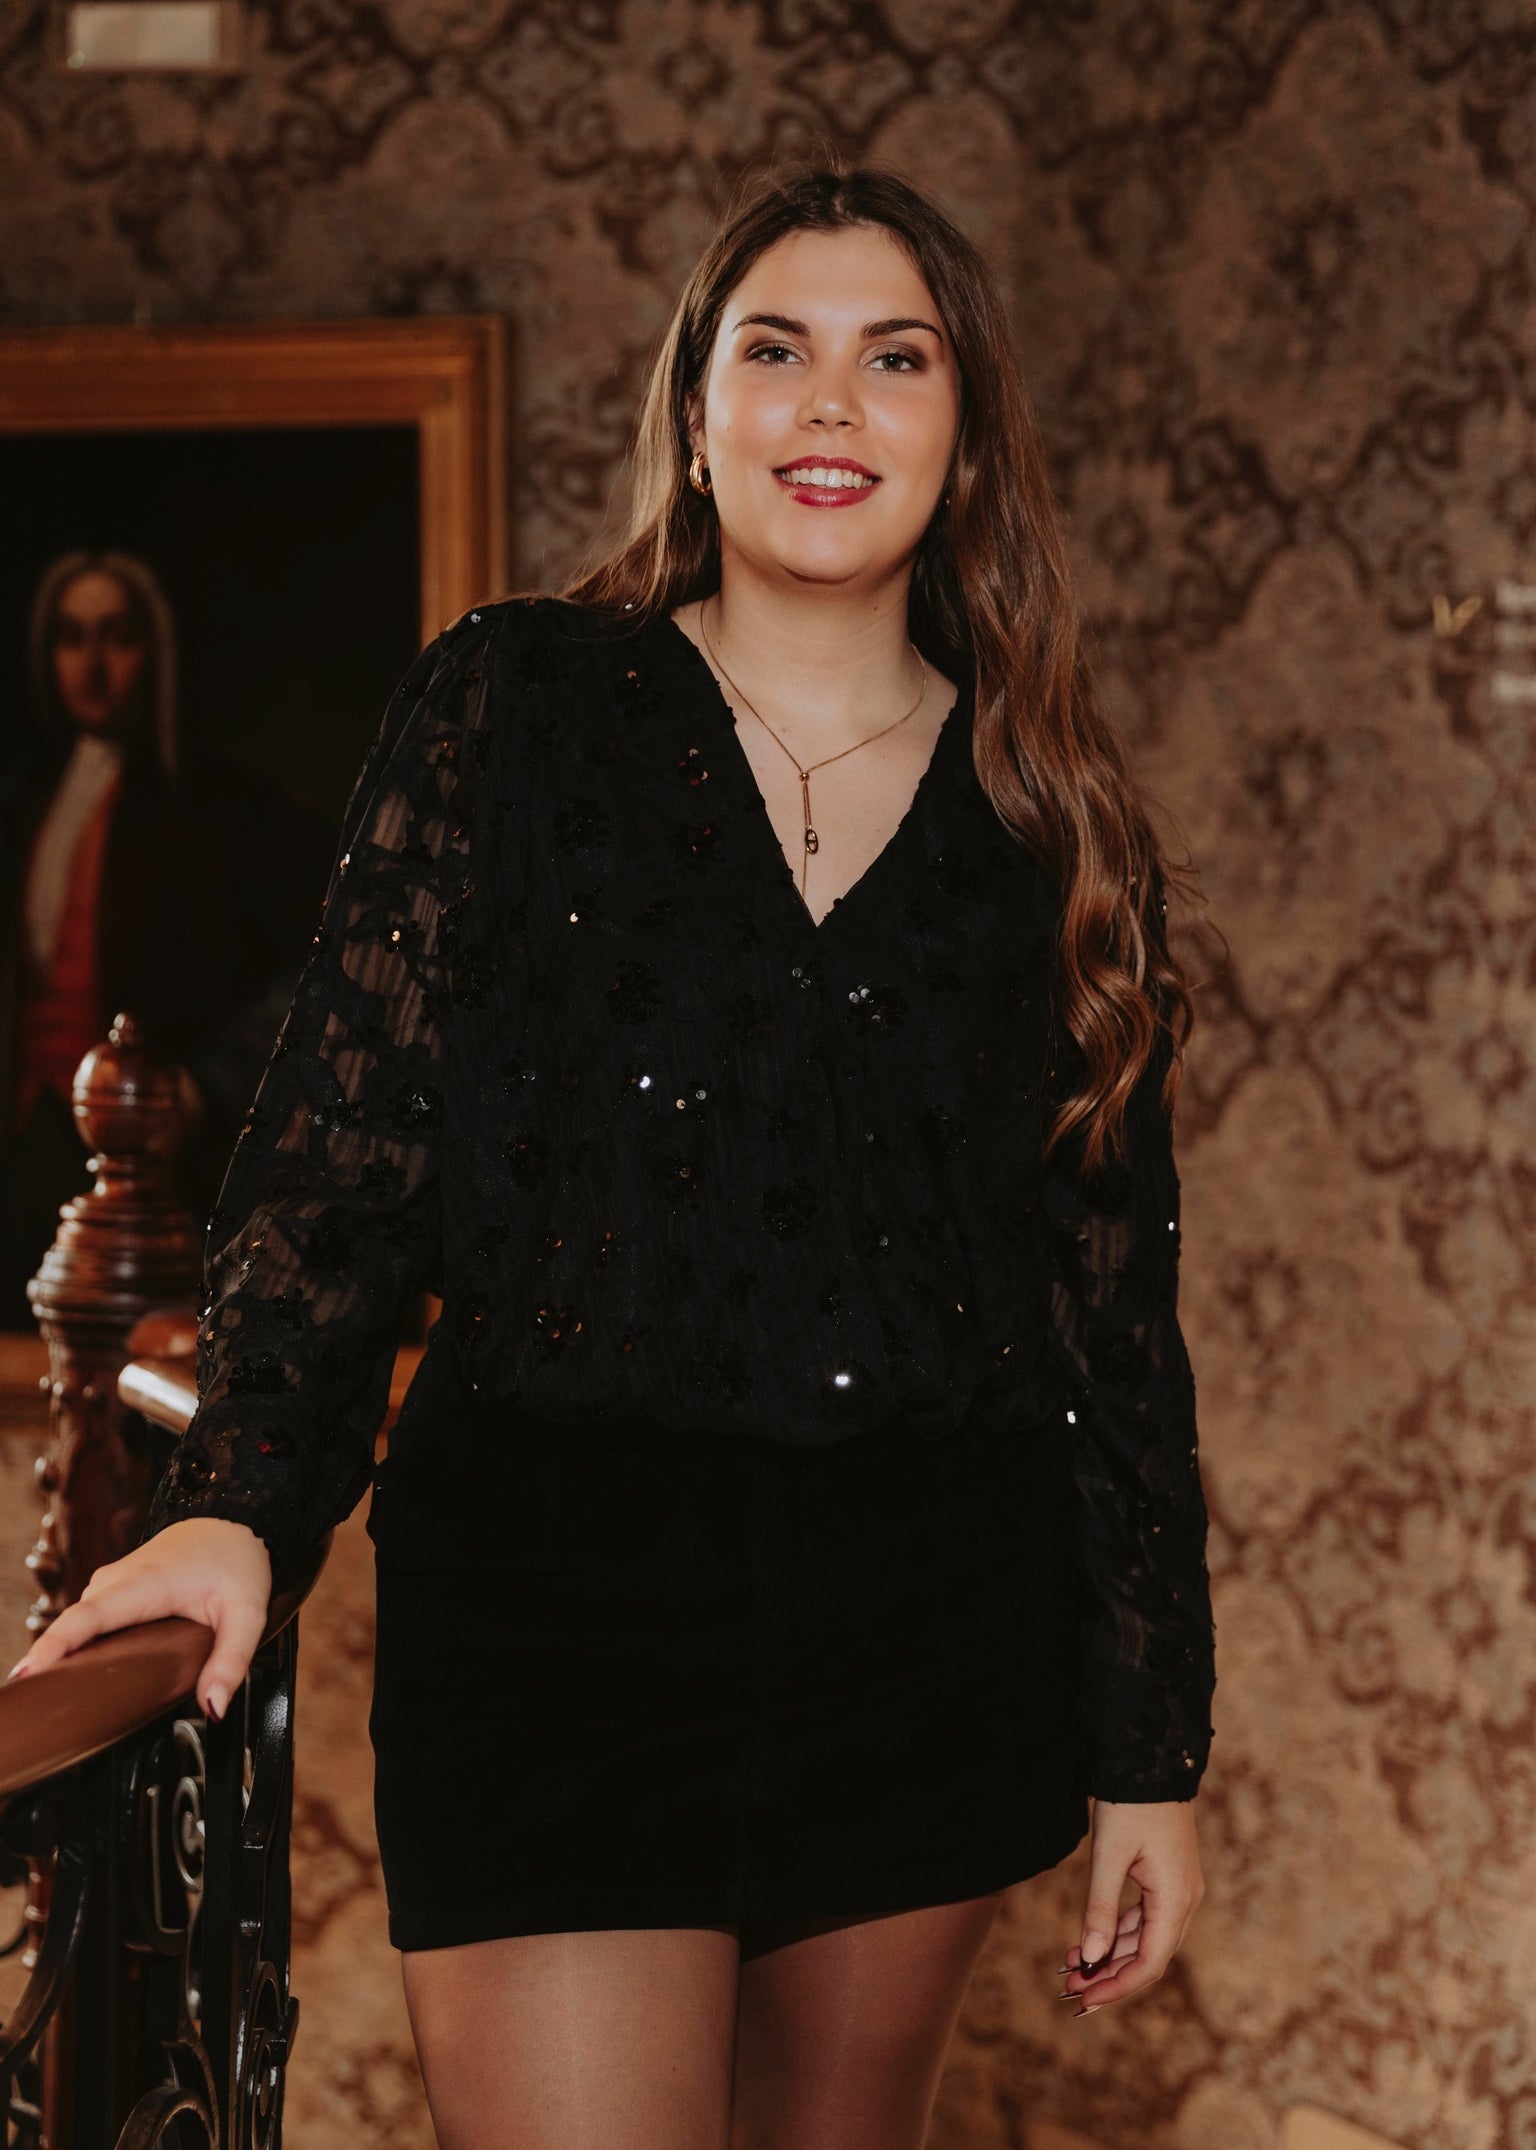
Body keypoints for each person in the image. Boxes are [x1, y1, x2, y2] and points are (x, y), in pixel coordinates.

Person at [7, 158, 1218, 2150]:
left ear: (969, 437)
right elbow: (340, 1164)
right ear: (696, 412)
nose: (830, 403)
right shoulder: (518, 707)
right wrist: (238, 1504)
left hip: (926, 1641)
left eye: (895, 358)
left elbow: (1110, 1324)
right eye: (777, 349)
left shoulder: (1050, 822)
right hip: (554, 1632)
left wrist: (1149, 1749)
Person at [0, 550, 330, 1324]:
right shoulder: (22, 803)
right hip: (30, 1137)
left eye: (117, 637)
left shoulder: (217, 812)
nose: (92, 666)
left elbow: (300, 975)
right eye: (71, 638)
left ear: (157, 650)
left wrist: (201, 1087)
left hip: (163, 1161)